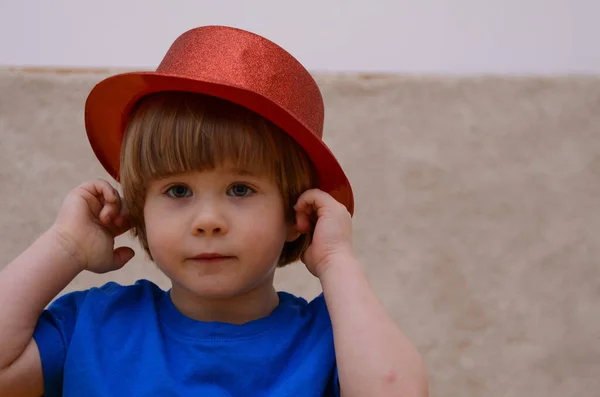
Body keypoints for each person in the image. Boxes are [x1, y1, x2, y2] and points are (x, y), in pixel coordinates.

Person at [0, 26, 427, 396]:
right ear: (139, 210)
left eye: (240, 189)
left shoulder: (331, 341)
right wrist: (64, 246)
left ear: (296, 215)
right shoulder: (92, 328)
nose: (208, 221)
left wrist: (338, 261)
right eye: (178, 190)